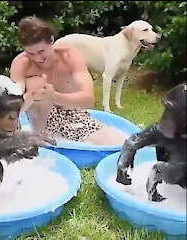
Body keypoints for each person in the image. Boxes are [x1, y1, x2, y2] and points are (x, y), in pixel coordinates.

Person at [10, 16, 127, 145]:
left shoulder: (69, 57)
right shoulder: (21, 64)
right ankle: (39, 134)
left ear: (51, 40)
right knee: (37, 84)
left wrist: (54, 96)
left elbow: (89, 99)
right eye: (31, 54)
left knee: (117, 141)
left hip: (72, 112)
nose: (37, 58)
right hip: (41, 119)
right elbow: (13, 104)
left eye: (41, 51)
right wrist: (31, 96)